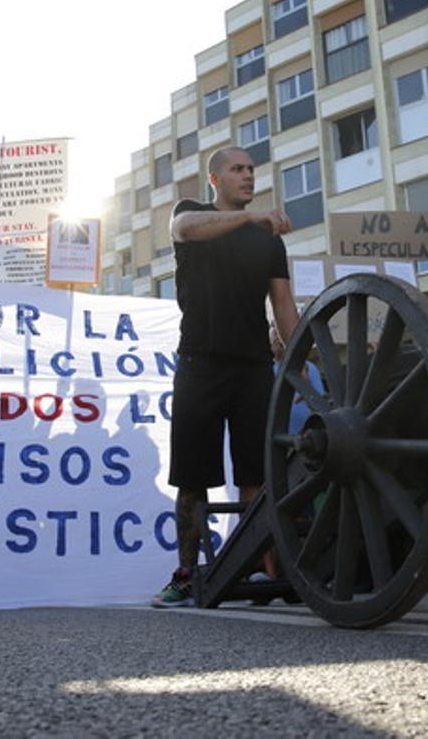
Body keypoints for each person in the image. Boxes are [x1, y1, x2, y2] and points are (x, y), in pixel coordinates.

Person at [151, 147, 299, 608]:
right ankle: (185, 572)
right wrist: (250, 220)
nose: (248, 176)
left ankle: (252, 563)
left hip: (255, 366)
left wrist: (299, 367)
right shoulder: (191, 214)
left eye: (252, 170)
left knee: (255, 474)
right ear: (214, 178)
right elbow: (184, 231)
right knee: (193, 477)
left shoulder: (269, 240)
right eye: (238, 169)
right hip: (200, 363)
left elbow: (284, 308)